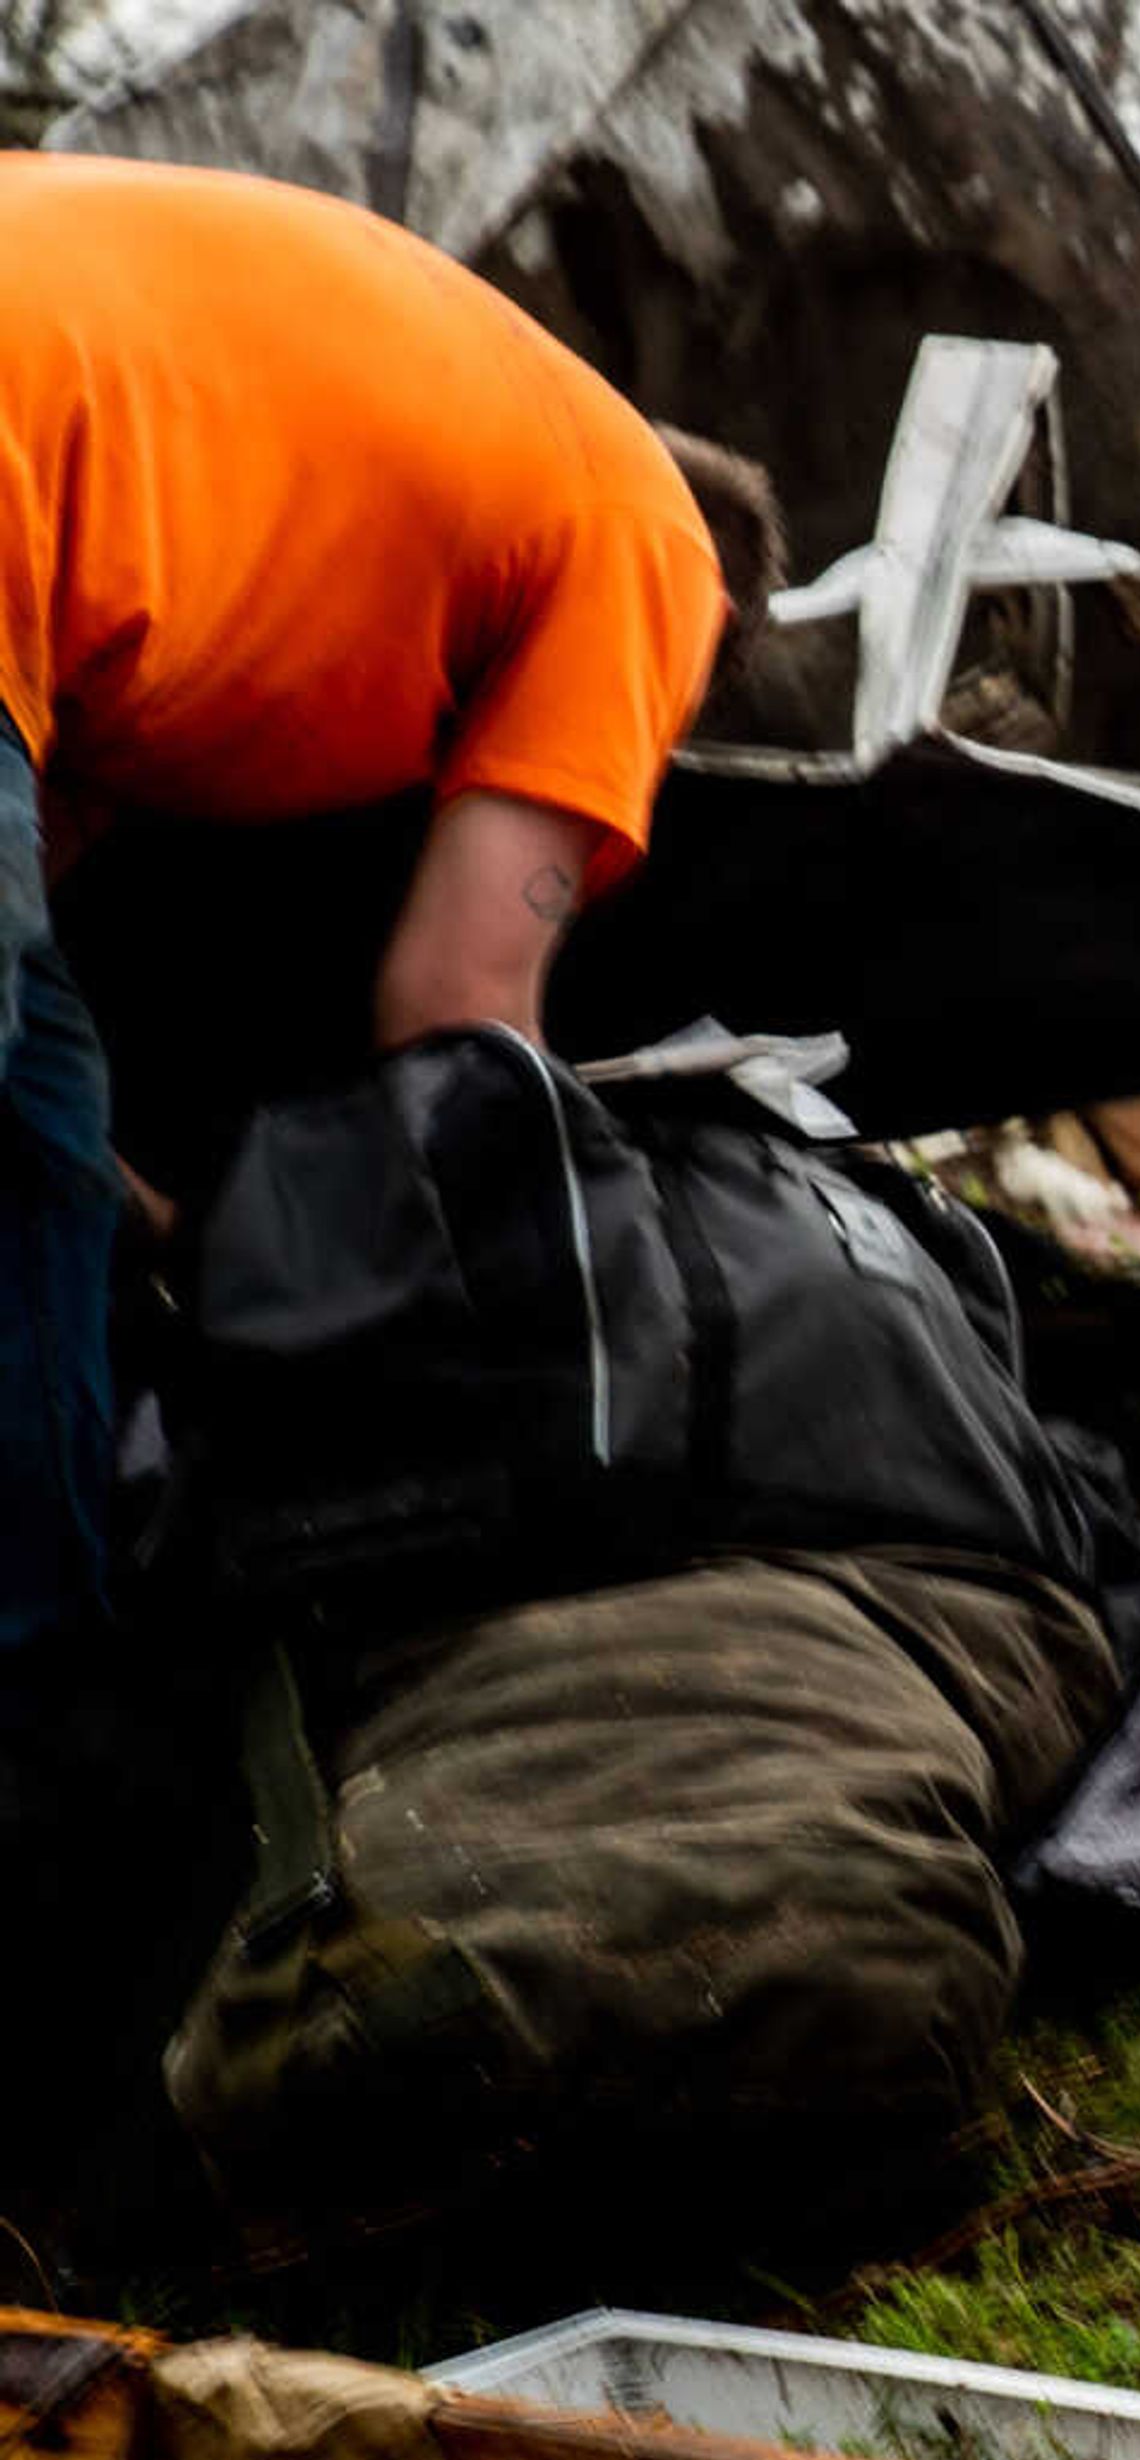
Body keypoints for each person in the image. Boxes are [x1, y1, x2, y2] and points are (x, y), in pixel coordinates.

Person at [0, 154, 776, 1711]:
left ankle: (38, 1713)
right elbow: (457, 1015)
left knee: (36, 1125)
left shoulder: (342, 465)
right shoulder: (650, 547)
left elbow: (42, 828)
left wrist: (158, 1212)